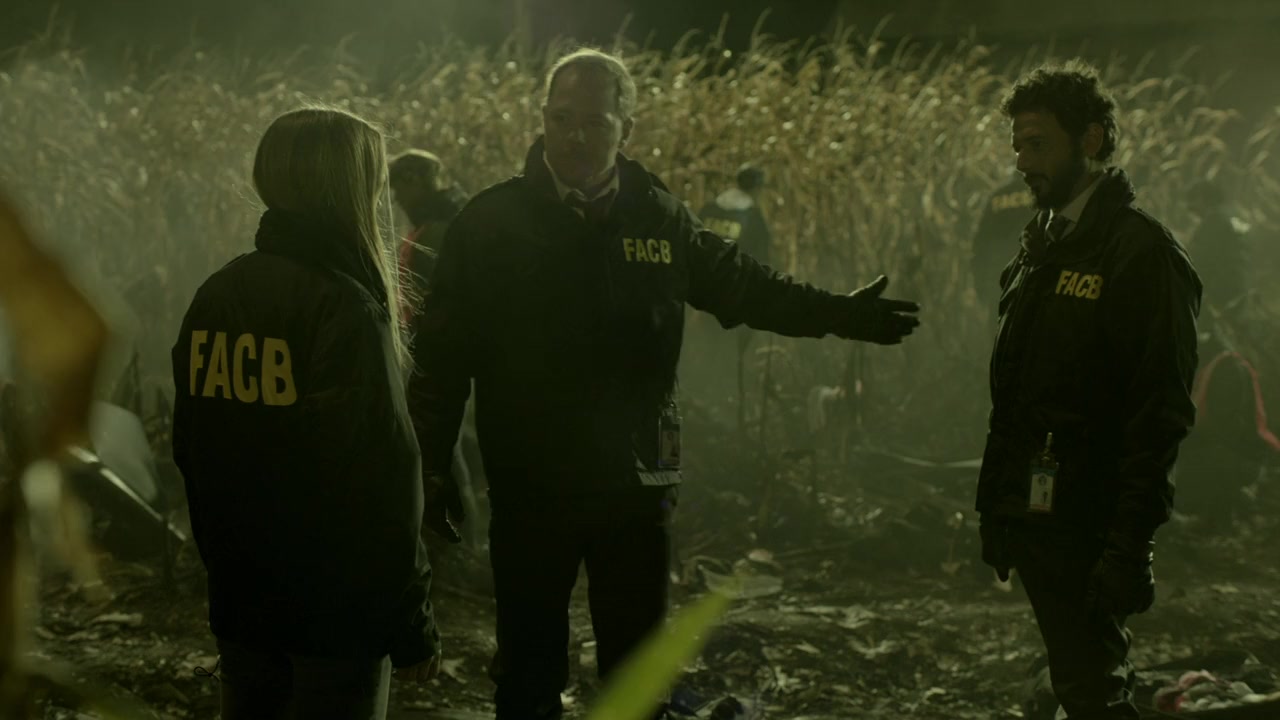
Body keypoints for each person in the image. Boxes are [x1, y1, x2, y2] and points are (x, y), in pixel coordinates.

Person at [408, 48, 920, 720]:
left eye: (593, 122)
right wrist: (431, 465)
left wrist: (840, 315)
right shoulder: (490, 223)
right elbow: (442, 355)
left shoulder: (660, 217)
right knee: (529, 673)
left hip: (637, 482)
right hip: (533, 484)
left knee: (636, 673)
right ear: (543, 119)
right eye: (561, 118)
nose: (574, 136)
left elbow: (747, 288)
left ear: (626, 129)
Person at [171, 108, 441, 720]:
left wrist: (226, 568)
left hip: (243, 603)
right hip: (336, 618)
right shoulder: (347, 307)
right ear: (350, 187)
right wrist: (412, 621)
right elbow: (380, 482)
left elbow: (193, 449)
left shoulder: (218, 292)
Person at [976, 62, 1201, 719]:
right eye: (1017, 145)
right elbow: (1017, 395)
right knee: (1076, 679)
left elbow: (1159, 412)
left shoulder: (1139, 252)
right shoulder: (1041, 246)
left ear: (1092, 140)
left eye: (1037, 144)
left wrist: (1129, 545)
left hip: (1090, 520)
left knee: (1091, 687)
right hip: (1040, 515)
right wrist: (1000, 509)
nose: (1022, 162)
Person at [695, 164, 774, 430]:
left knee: (706, 350)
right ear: (757, 188)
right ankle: (727, 412)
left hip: (703, 295)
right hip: (735, 296)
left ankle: (703, 406)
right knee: (733, 357)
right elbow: (761, 261)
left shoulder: (710, 209)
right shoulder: (753, 216)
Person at [389, 149, 470, 322]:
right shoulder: (441, 224)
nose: (397, 199)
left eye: (398, 188)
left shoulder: (436, 232)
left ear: (414, 181)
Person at [970, 174, 1036, 312]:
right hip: (1032, 278)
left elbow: (980, 245)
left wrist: (980, 287)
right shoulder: (1040, 194)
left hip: (1000, 279)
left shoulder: (996, 196)